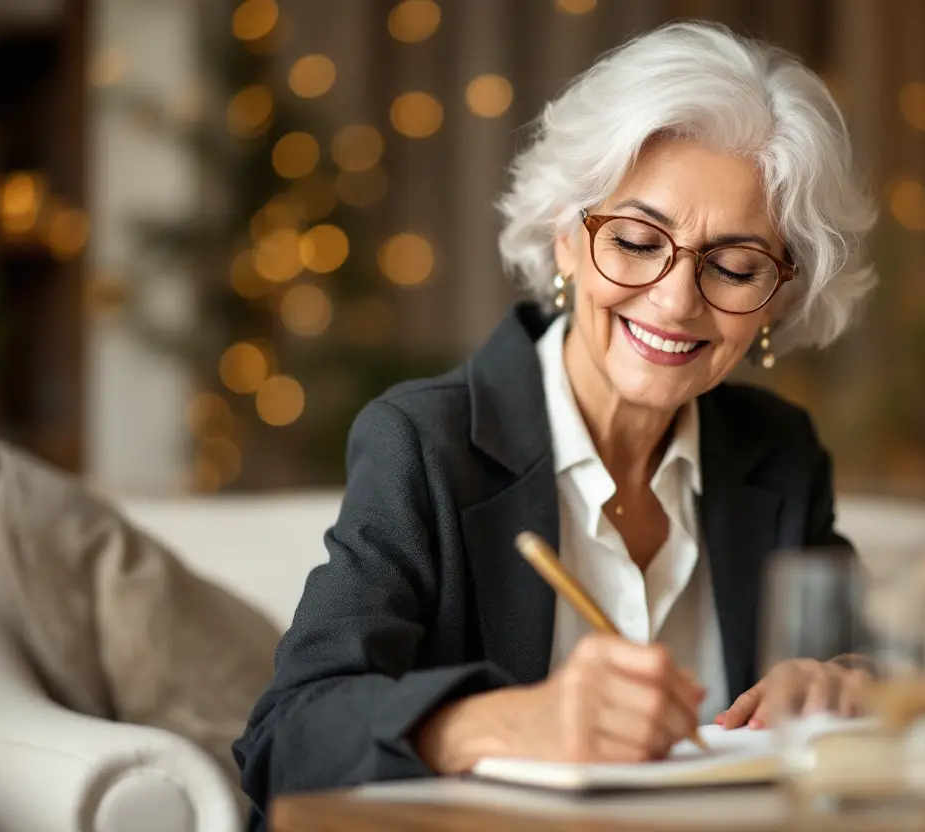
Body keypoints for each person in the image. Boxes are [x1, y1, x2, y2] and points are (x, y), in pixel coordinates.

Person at [234, 19, 877, 826]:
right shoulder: (424, 444)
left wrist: (847, 679)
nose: (676, 300)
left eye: (736, 266)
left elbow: (875, 661)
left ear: (778, 298)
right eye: (638, 242)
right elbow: (283, 740)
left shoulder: (779, 453)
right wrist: (505, 724)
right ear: (565, 239)